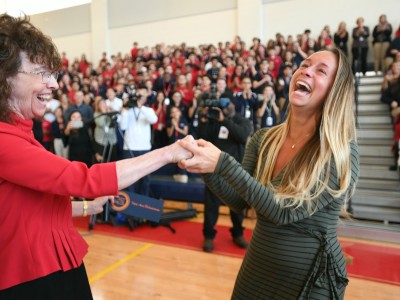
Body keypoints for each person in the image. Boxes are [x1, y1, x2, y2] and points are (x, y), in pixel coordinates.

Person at [0, 14, 192, 299]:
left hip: (53, 270)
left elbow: (35, 209)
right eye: (42, 72)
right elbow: (83, 179)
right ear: (5, 76)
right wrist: (169, 152)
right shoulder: (5, 141)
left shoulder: (22, 134)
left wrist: (89, 208)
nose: (53, 84)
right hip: (33, 280)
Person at [178, 48, 360, 299]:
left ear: (335, 91)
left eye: (320, 71)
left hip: (310, 279)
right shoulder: (264, 138)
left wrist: (222, 163)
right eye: (304, 64)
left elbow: (284, 211)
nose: (306, 70)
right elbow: (240, 200)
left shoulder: (341, 151)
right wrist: (204, 167)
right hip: (257, 268)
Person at [196, 98, 252, 252]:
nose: (224, 110)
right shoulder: (214, 121)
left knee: (236, 206)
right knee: (211, 205)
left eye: (226, 106)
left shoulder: (242, 120)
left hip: (235, 169)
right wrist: (204, 120)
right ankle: (209, 237)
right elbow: (202, 138)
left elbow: (241, 136)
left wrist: (225, 121)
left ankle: (238, 234)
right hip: (214, 169)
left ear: (233, 105)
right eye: (221, 108)